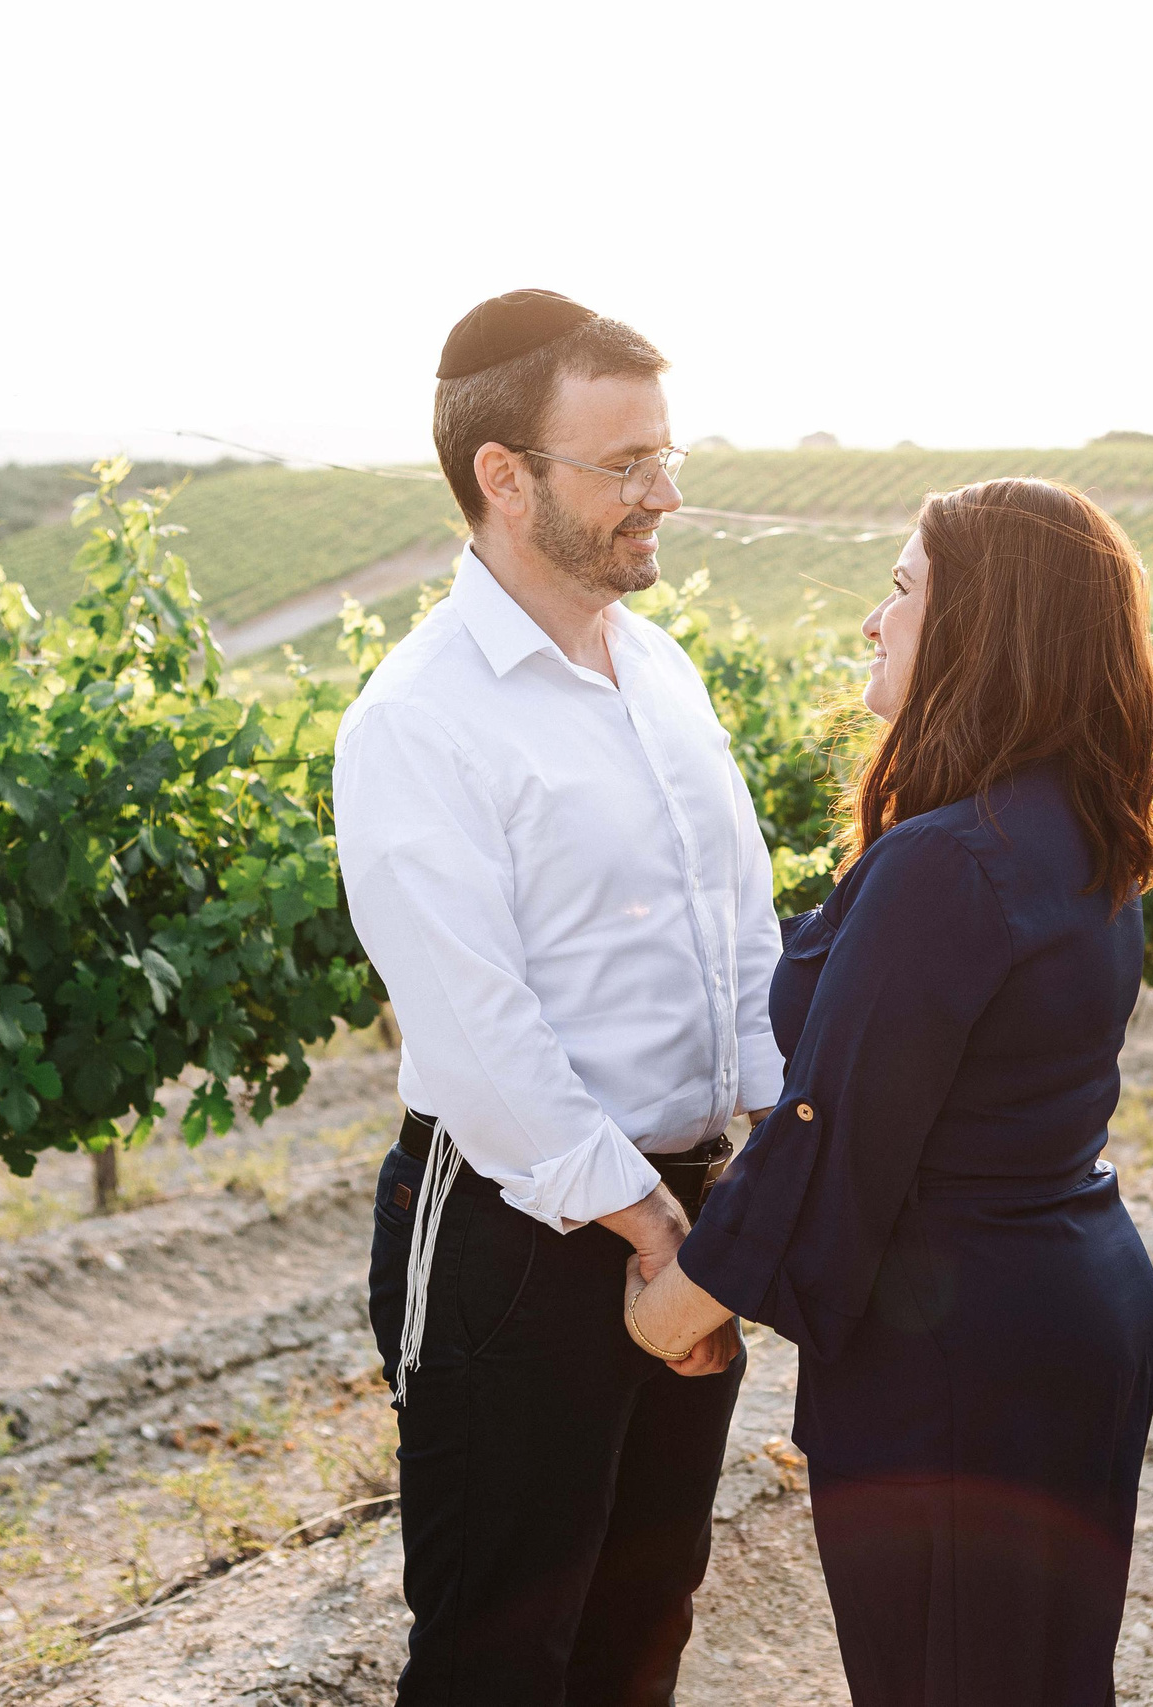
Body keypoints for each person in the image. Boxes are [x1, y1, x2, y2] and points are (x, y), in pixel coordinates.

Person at [622, 478, 1153, 1706]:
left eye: (901, 588)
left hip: (961, 1360)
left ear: (987, 623)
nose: (873, 621)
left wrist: (681, 1300)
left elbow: (834, 1128)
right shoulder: (1072, 824)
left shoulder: (951, 859)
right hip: (1065, 1306)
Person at [335, 288, 780, 1706]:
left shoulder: (660, 668)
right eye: (626, 463)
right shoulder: (419, 719)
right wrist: (651, 1228)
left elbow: (743, 931)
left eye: (667, 456)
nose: (664, 494)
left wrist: (762, 1161)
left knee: (645, 1619)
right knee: (499, 1654)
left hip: (685, 1218)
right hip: (514, 1237)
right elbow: (477, 1034)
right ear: (506, 476)